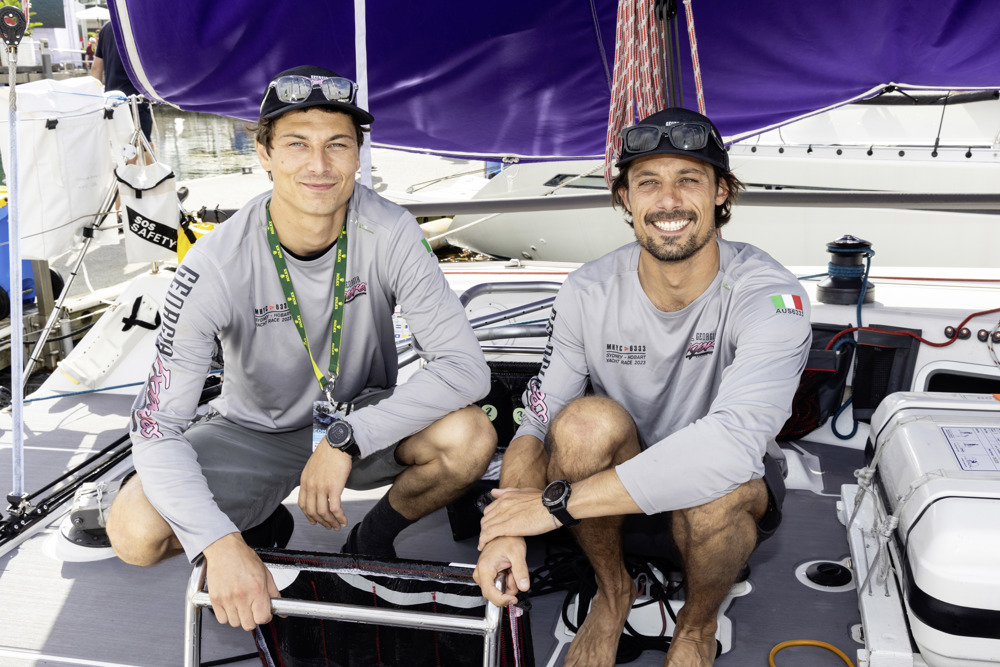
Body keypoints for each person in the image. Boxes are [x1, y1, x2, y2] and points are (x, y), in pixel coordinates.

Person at [106, 65, 497, 632]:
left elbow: (465, 370)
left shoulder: (391, 231)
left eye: (338, 144)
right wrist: (219, 545)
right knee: (134, 532)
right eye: (296, 143)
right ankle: (255, 532)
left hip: (360, 415)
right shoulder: (213, 265)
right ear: (262, 153)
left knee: (471, 436)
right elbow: (157, 427)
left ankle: (372, 541)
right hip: (252, 430)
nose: (319, 165)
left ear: (359, 155)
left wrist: (346, 437)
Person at [473, 107, 811, 667]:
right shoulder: (587, 290)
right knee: (580, 424)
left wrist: (551, 507)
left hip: (713, 500)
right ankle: (613, 595)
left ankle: (696, 626)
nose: (668, 201)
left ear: (722, 192)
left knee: (719, 488)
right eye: (648, 182)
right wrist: (506, 527)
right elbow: (536, 421)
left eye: (689, 180)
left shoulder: (772, 296)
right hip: (610, 500)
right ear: (625, 198)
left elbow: (729, 448)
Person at [91, 21, 153, 144]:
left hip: (112, 100)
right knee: (143, 144)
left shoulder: (106, 28)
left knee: (125, 146)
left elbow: (96, 68)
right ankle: (150, 164)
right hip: (135, 97)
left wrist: (95, 100)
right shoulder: (138, 22)